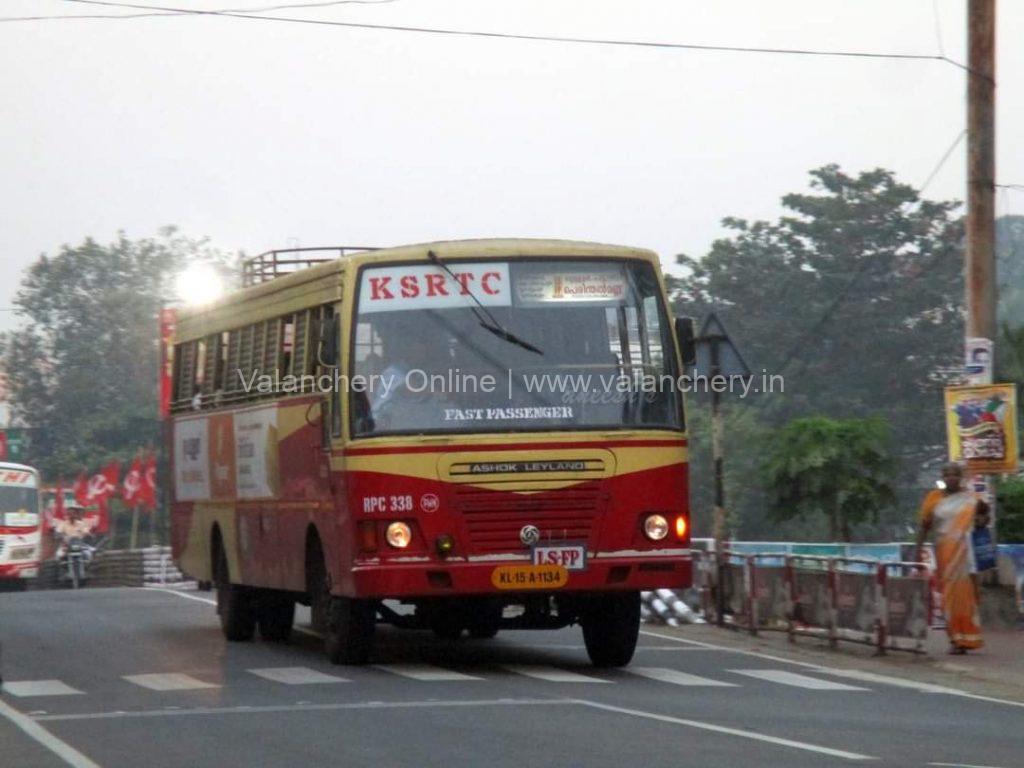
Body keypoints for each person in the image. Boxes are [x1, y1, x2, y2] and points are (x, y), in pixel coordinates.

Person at [915, 462, 986, 654]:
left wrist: (981, 519)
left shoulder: (970, 498)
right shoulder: (933, 498)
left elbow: (983, 518)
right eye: (948, 475)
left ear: (961, 477)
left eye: (955, 474)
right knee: (948, 596)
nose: (951, 478)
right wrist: (917, 549)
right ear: (943, 477)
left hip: (966, 554)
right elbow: (924, 526)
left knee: (966, 596)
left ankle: (968, 638)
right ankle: (954, 638)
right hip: (944, 553)